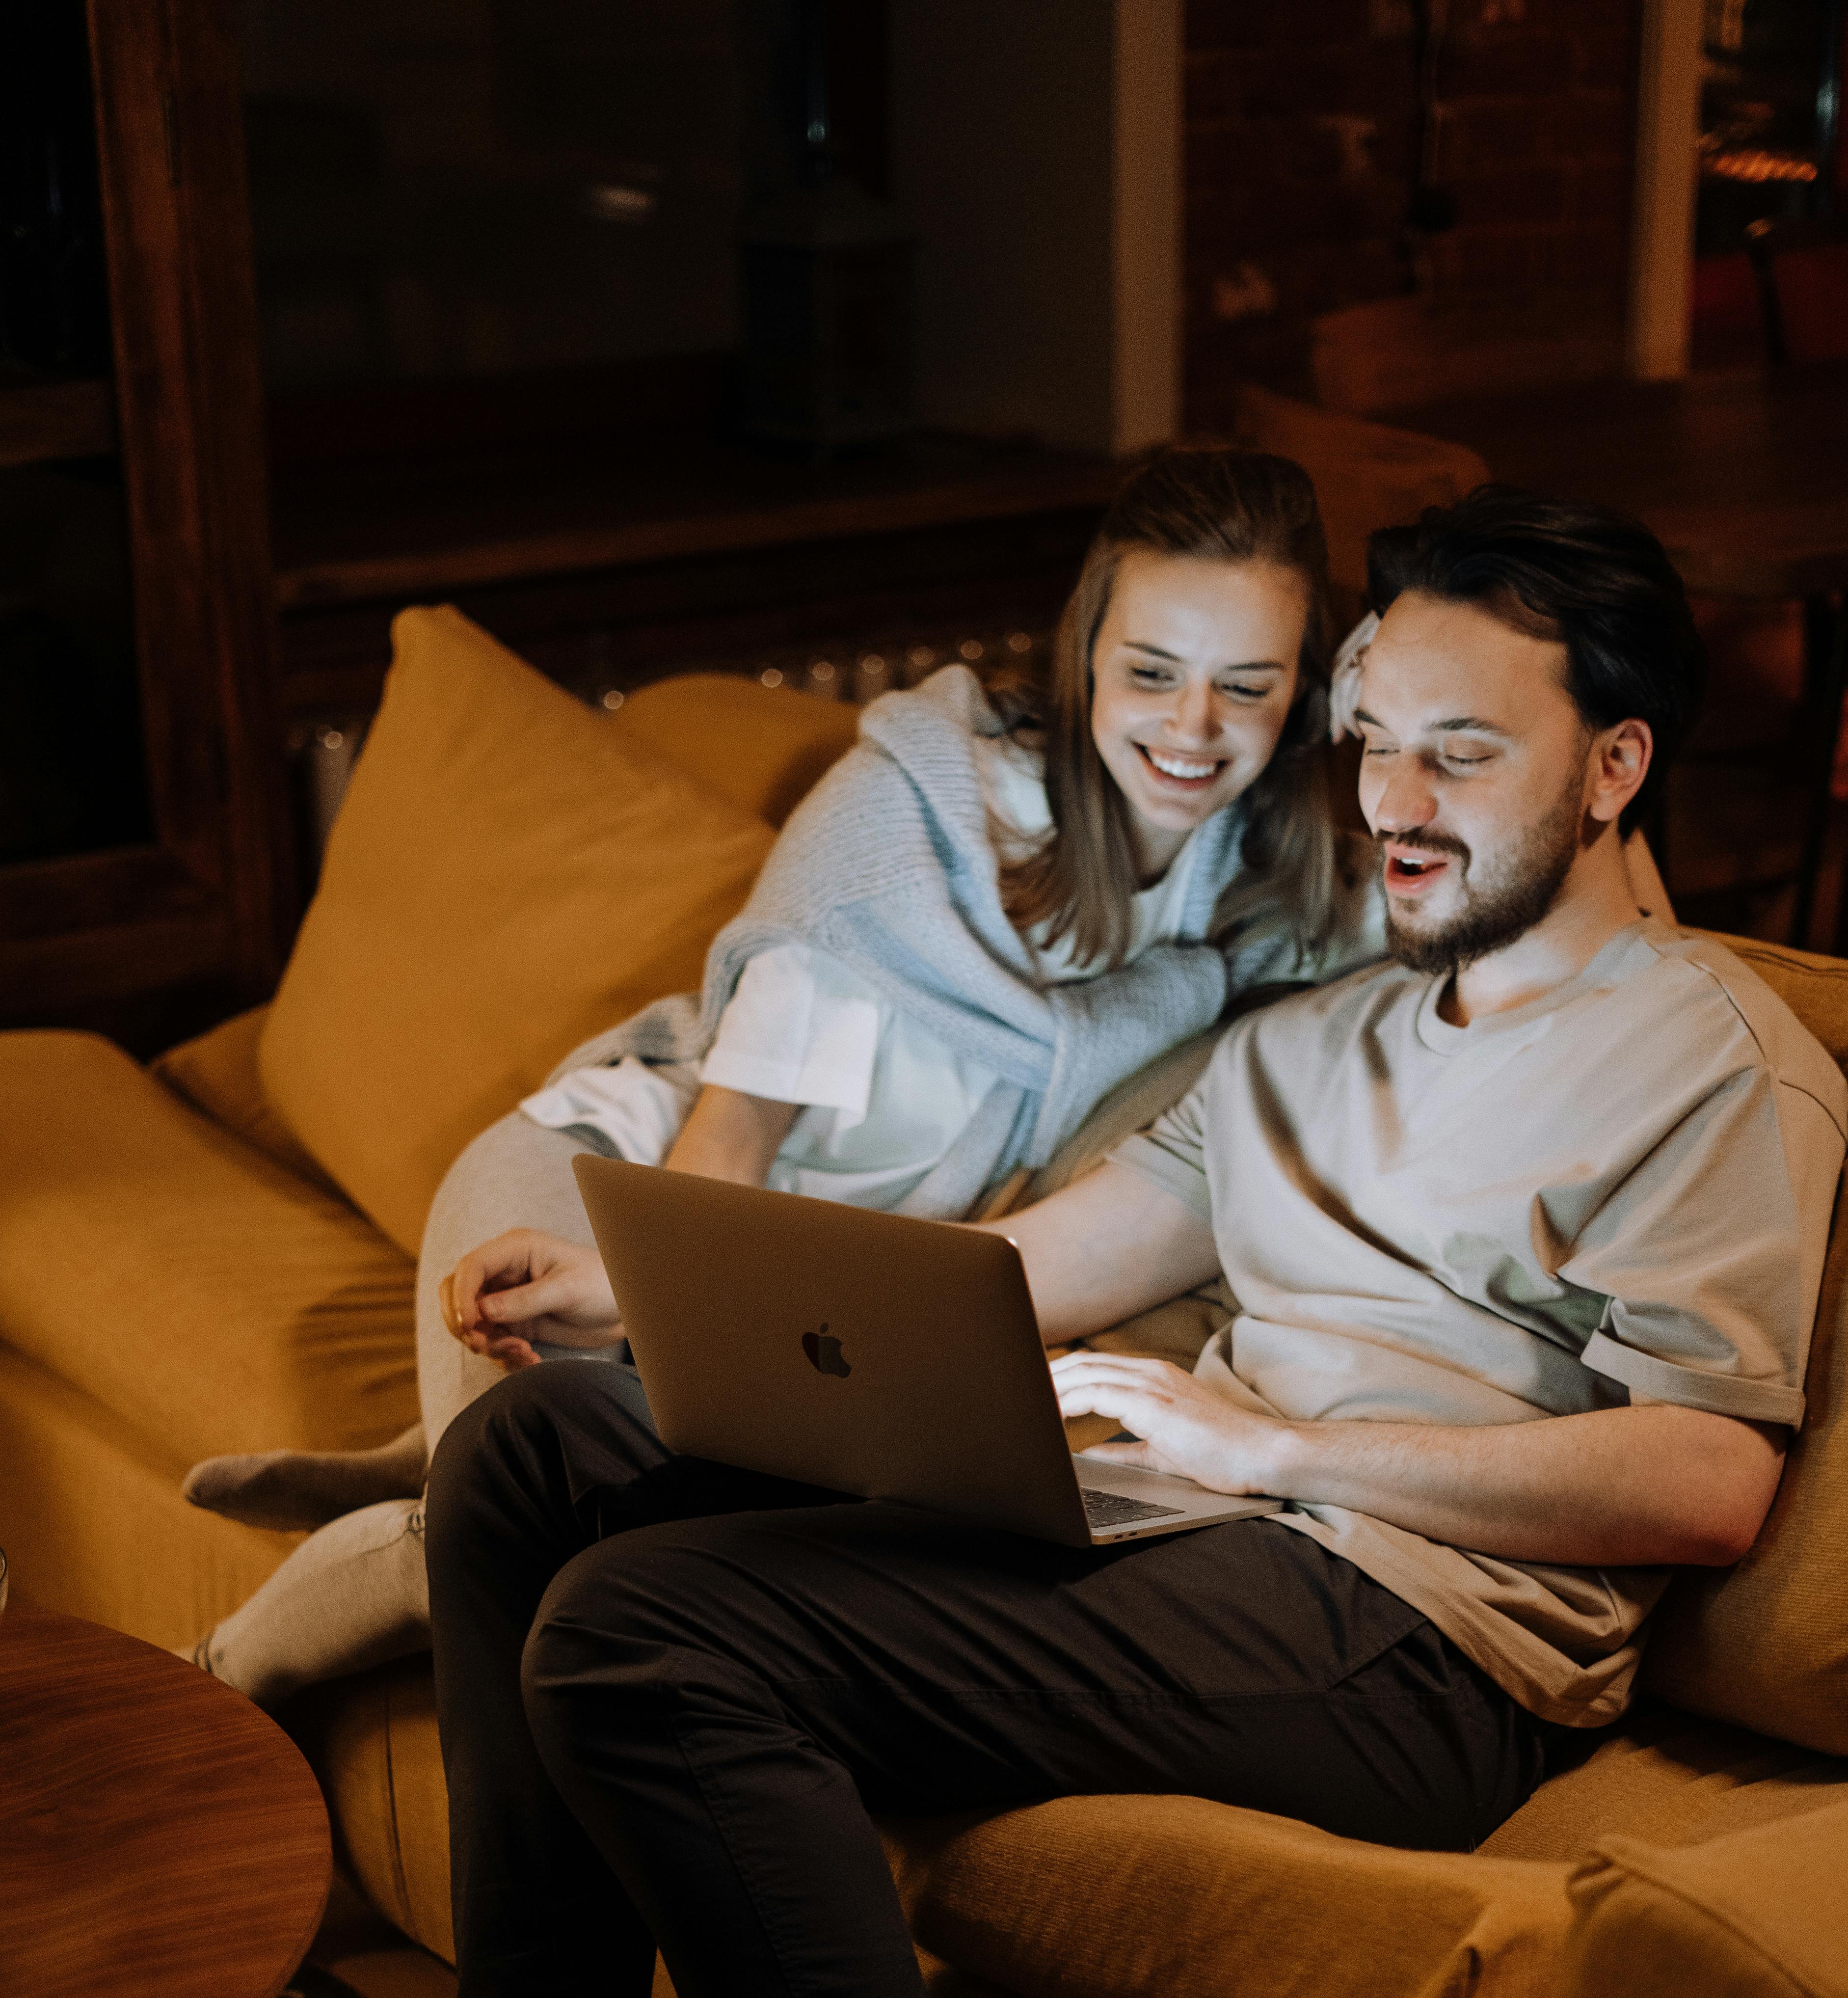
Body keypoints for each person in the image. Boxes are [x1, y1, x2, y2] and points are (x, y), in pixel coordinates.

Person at [257, 485, 1847, 1998]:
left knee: (650, 1634)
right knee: (538, 1458)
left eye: (1462, 753)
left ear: (1614, 765)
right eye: (1374, 742)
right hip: (1176, 1524)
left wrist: (1278, 1450)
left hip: (1411, 1637)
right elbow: (1021, 1279)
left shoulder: (1716, 1066)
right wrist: (654, 1315)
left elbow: (1704, 1478)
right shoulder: (1314, 1037)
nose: (1393, 800)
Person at [179, 443, 1386, 1704]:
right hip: (618, 1193)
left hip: (817, 1305)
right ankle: (200, 1690)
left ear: (1306, 696)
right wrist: (637, 1295)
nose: (1192, 730)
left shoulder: (1276, 896)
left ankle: (422, 1464)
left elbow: (1469, 925)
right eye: (1150, 673)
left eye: (1245, 688)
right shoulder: (912, 812)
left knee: (630, 1564)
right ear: (1085, 650)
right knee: (520, 1546)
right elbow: (732, 1134)